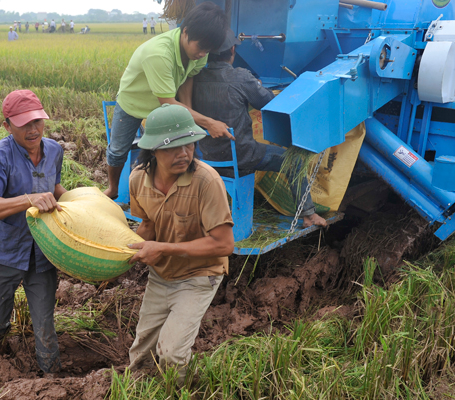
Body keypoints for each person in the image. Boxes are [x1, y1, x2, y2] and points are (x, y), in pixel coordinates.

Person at [127, 103, 234, 385]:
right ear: (153, 150)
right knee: (141, 355)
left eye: (189, 144)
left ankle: (179, 392)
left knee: (172, 354)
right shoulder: (138, 179)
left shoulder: (207, 181)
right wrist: (120, 252)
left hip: (199, 276)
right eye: (173, 147)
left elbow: (223, 245)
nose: (184, 153)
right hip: (161, 275)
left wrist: (162, 249)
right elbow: (148, 225)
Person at [0, 89, 66, 374]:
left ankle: (53, 380)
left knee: (45, 324)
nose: (33, 129)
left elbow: (56, 187)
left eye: (37, 121)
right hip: (4, 251)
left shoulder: (55, 151)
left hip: (42, 252)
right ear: (7, 126)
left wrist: (82, 201)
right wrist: (29, 199)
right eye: (24, 123)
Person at [192, 29, 327, 228]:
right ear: (232, 50)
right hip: (243, 155)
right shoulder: (240, 77)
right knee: (294, 161)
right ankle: (308, 215)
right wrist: (256, 86)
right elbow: (269, 103)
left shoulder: (195, 78)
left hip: (206, 154)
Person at [104, 1, 230, 199]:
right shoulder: (159, 54)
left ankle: (166, 193)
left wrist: (186, 111)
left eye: (207, 51)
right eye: (201, 48)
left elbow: (188, 76)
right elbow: (168, 102)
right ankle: (112, 189)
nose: (202, 54)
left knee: (169, 149)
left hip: (165, 104)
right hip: (134, 102)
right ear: (186, 32)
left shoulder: (199, 52)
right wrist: (208, 122)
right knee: (118, 150)